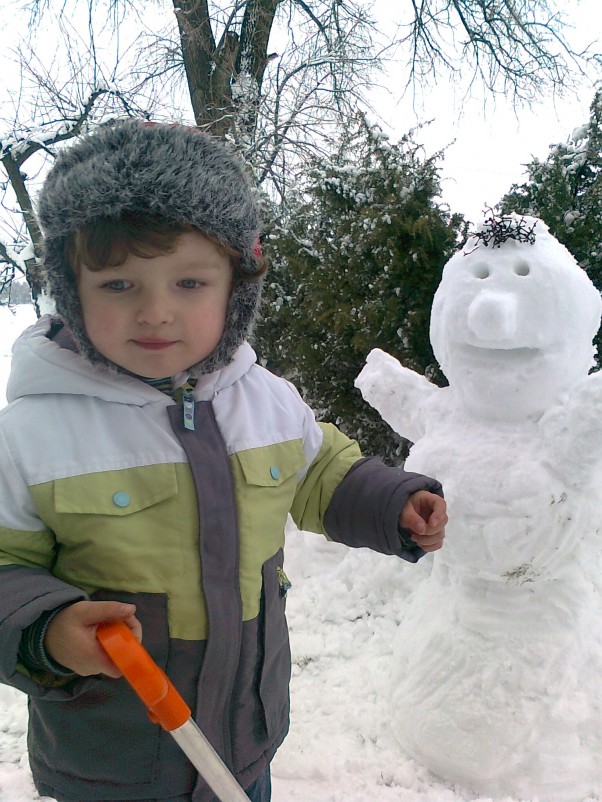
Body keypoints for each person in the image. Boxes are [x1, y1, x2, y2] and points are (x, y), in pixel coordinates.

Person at [0, 120, 447, 802]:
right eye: (119, 286)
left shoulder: (263, 400)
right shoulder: (33, 435)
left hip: (244, 743)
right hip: (111, 762)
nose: (156, 313)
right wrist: (49, 630)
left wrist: (390, 502)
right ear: (70, 286)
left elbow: (321, 472)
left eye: (189, 282)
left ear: (235, 284)